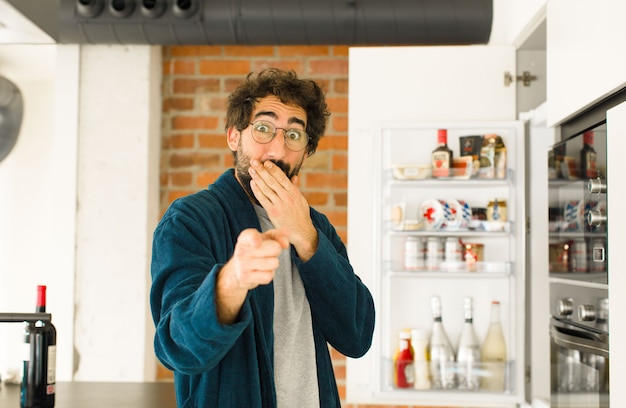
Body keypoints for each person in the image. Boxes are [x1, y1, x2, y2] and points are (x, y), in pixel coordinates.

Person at [150, 68, 376, 408]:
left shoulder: (316, 227)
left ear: (305, 152)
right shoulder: (190, 219)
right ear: (234, 137)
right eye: (263, 128)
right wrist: (233, 280)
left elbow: (357, 336)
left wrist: (308, 239)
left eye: (294, 135)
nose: (277, 149)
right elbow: (178, 347)